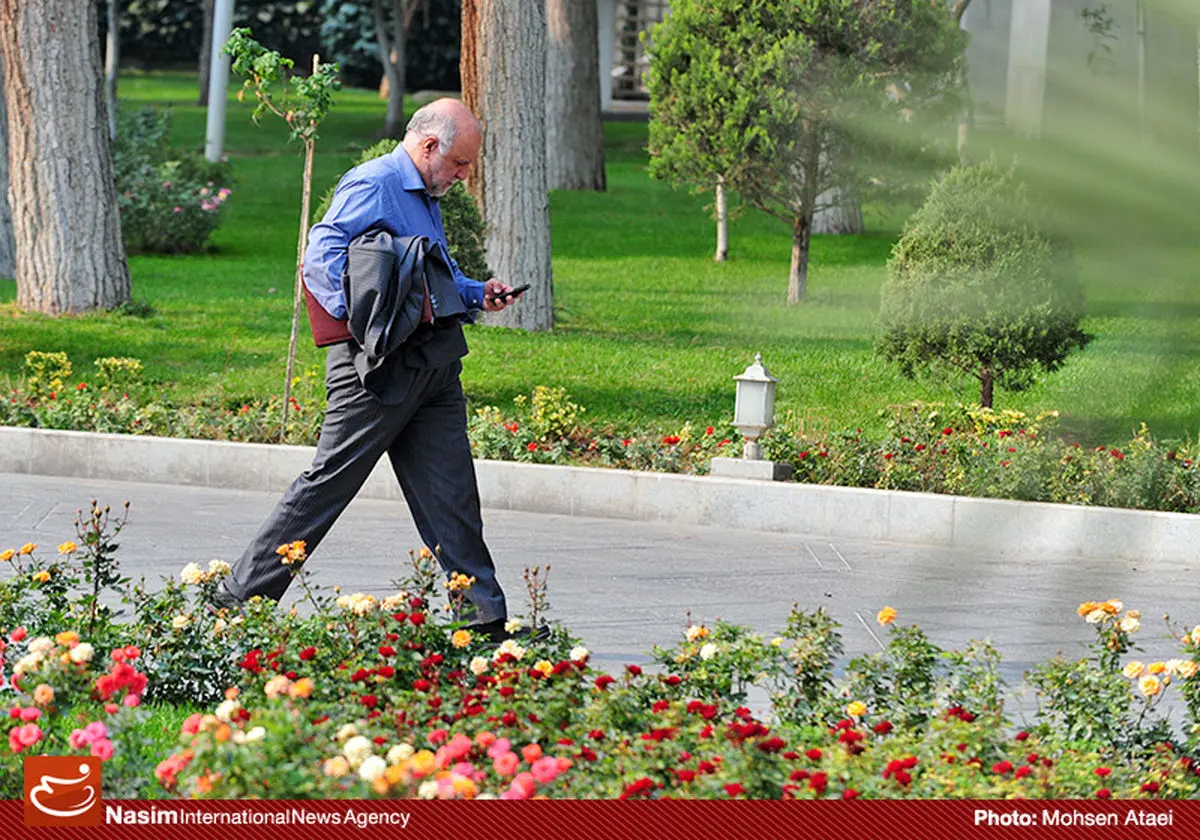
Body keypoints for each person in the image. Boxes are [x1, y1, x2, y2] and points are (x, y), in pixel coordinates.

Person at [215, 99, 526, 641]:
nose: (462, 176)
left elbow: (433, 274)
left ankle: (482, 624)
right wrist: (370, 328)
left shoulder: (424, 194)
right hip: (378, 368)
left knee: (451, 494)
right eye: (458, 163)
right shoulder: (375, 183)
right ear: (428, 146)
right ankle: (236, 600)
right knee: (329, 484)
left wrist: (478, 293)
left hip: (434, 362)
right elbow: (319, 259)